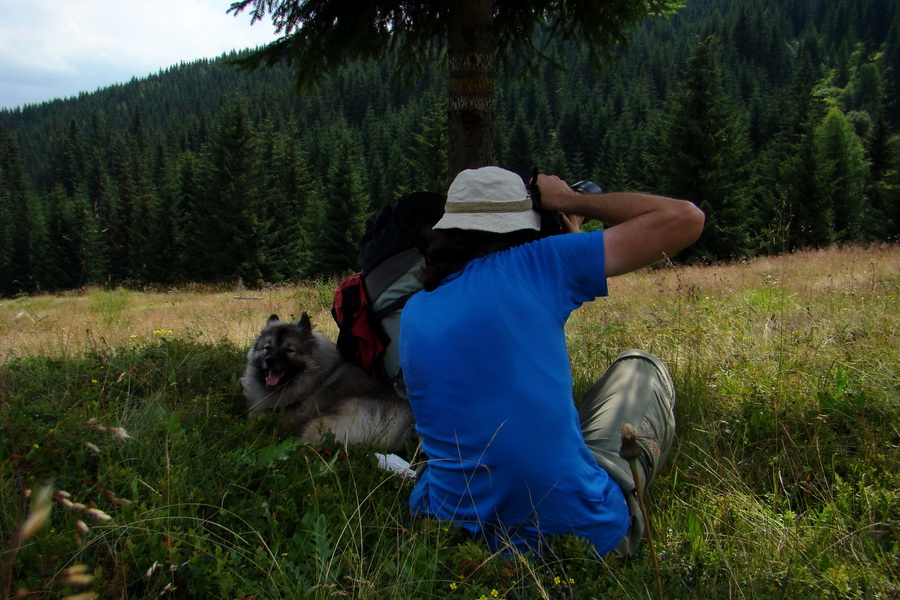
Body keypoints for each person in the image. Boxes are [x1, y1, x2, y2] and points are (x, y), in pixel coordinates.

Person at [398, 166, 705, 556]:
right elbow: (685, 218)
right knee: (639, 366)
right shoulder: (541, 263)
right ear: (525, 224)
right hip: (578, 534)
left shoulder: (416, 310)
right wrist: (568, 199)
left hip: (455, 534)